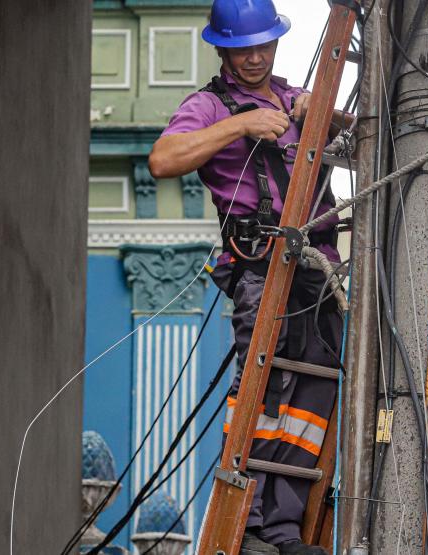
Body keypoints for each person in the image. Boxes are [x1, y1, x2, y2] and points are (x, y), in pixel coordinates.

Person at [149, 1, 353, 553]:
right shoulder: (210, 106)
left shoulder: (292, 98)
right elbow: (163, 160)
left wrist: (328, 115)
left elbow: (358, 139)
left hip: (319, 271)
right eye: (245, 48)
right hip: (263, 267)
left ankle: (284, 530)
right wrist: (242, 122)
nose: (257, 57)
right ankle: (253, 525)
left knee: (311, 398)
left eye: (264, 45)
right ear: (223, 49)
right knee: (265, 394)